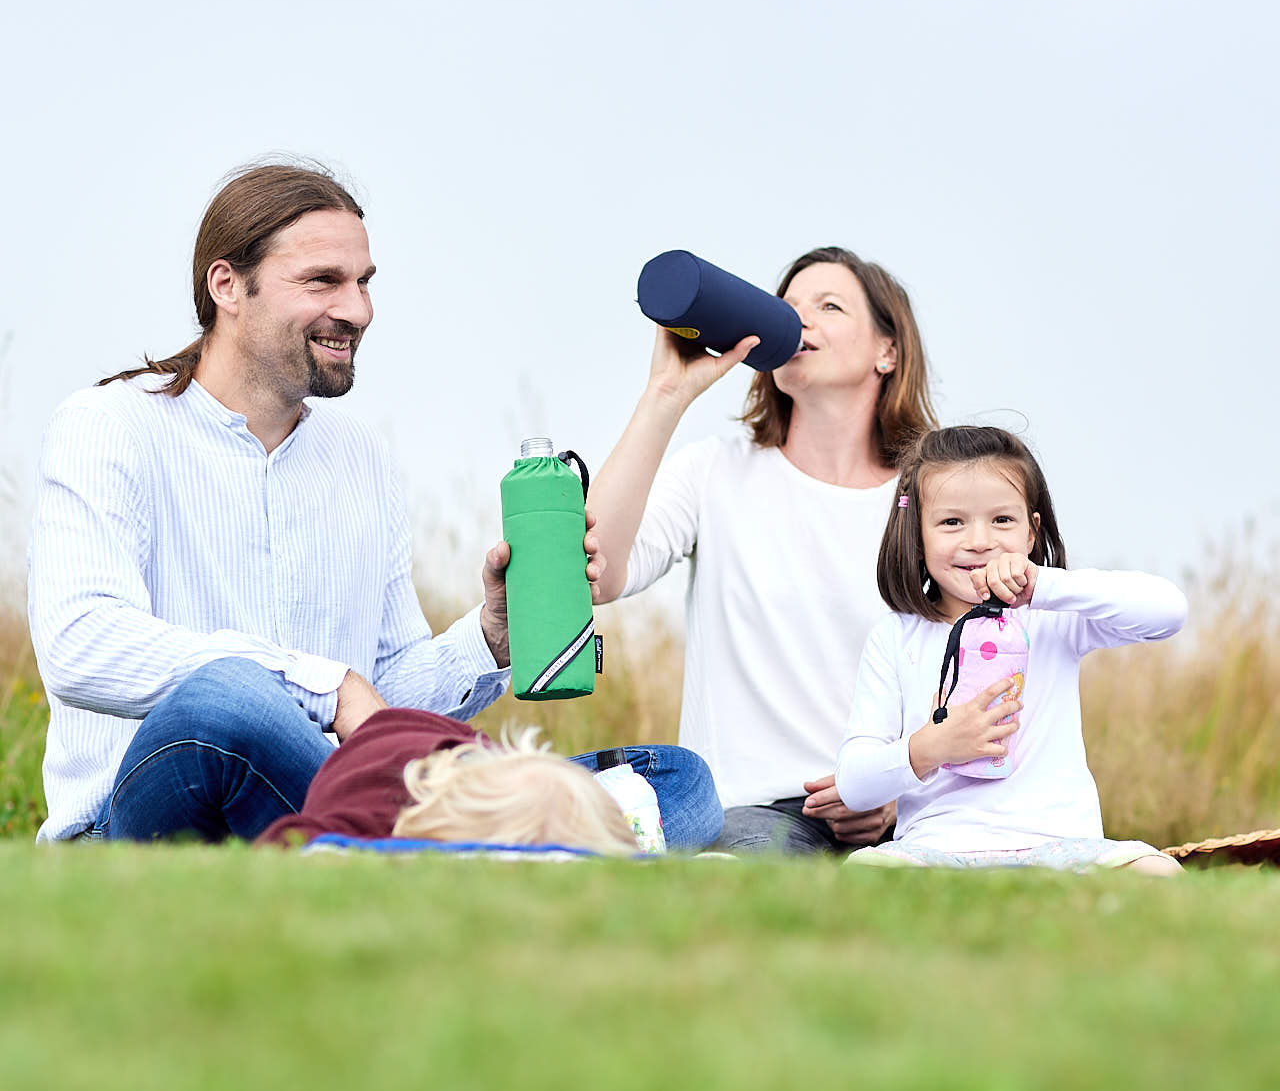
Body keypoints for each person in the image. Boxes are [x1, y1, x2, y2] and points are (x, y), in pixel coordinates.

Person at [27, 162, 719, 847]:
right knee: (225, 699)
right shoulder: (108, 425)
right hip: (153, 805)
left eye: (363, 282)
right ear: (228, 285)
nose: (357, 310)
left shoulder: (361, 457)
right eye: (323, 281)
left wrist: (489, 636)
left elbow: (386, 696)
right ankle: (508, 844)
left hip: (334, 789)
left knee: (676, 778)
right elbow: (79, 644)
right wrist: (323, 688)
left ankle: (424, 846)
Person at [590, 246, 936, 852]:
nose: (800, 319)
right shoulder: (715, 473)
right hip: (750, 814)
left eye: (829, 306)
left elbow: (962, 665)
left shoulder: (926, 502)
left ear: (888, 351)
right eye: (788, 306)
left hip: (894, 812)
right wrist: (665, 394)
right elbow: (600, 570)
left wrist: (895, 793)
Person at [834, 425, 1187, 874]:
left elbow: (1168, 611)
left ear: (1031, 532)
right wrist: (932, 746)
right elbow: (854, 782)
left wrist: (1044, 585)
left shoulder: (1053, 618)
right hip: (935, 850)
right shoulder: (896, 636)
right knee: (864, 875)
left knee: (1158, 873)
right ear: (917, 535)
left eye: (1002, 520)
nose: (979, 541)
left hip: (1061, 845)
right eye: (951, 522)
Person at [256, 713, 638, 855]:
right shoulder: (370, 829)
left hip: (459, 749)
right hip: (370, 743)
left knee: (682, 771)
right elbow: (288, 840)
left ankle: (602, 809)